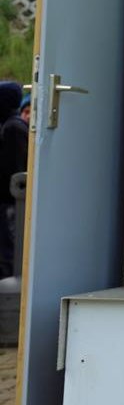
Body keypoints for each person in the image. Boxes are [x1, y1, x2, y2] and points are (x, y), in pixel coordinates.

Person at [0, 81, 28, 279]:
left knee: (7, 252)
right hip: (8, 201)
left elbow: (14, 170)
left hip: (9, 203)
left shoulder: (13, 128)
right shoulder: (11, 126)